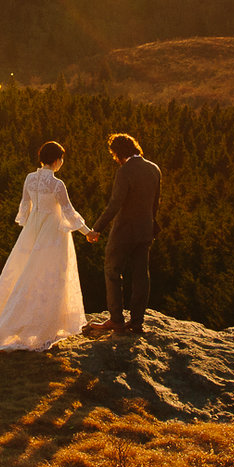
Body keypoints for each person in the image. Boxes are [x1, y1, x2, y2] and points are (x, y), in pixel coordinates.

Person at [0, 141, 93, 352]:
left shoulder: (29, 179)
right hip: (53, 234)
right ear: (56, 161)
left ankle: (20, 323)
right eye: (61, 159)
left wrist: (31, 229)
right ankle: (48, 325)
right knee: (52, 276)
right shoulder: (57, 185)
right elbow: (69, 212)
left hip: (32, 232)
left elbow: (25, 209)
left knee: (25, 273)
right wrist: (87, 232)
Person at [84, 132, 161, 341]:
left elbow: (115, 204)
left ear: (117, 153)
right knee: (141, 276)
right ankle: (137, 323)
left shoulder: (124, 172)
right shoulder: (154, 168)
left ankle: (116, 321)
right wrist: (149, 224)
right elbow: (155, 203)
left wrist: (97, 228)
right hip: (146, 231)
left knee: (112, 270)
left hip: (124, 232)